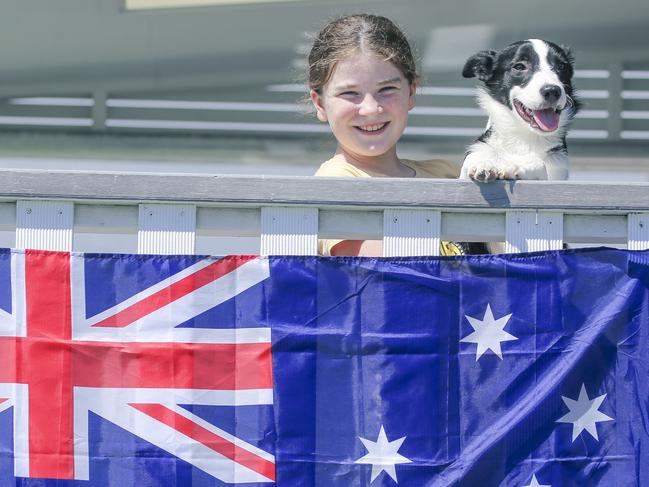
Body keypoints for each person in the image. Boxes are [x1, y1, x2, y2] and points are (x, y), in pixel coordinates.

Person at [309, 14, 483, 256]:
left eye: (387, 89)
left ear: (411, 92)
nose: (370, 108)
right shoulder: (335, 180)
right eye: (350, 93)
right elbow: (388, 272)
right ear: (319, 104)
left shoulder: (446, 172)